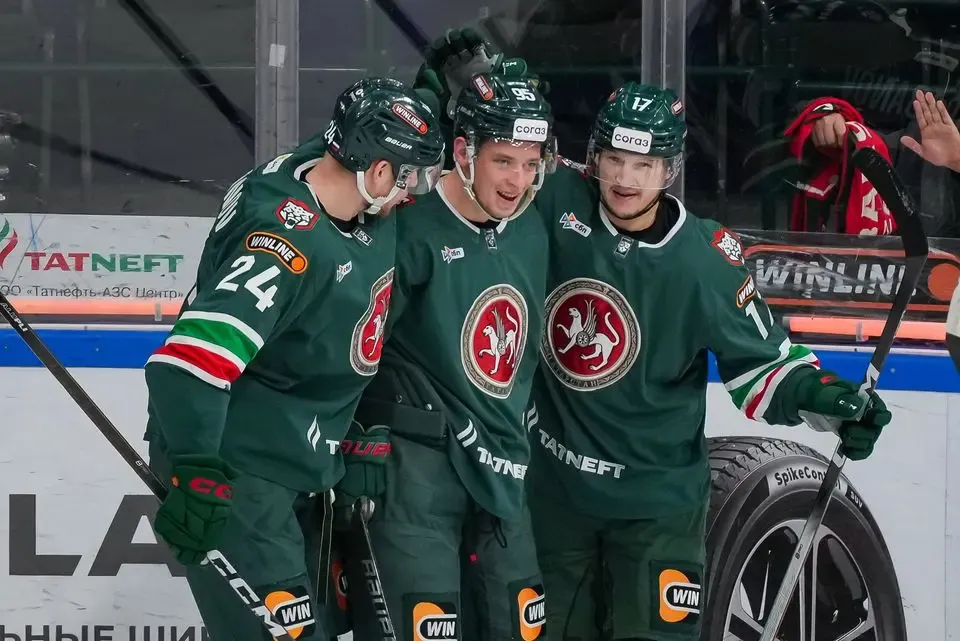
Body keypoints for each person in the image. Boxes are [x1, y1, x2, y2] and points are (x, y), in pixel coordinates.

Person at [416, 33, 892, 641]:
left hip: (656, 508)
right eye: (615, 159)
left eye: (643, 165)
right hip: (553, 498)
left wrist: (828, 400)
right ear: (594, 157)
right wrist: (453, 106)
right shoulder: (552, 197)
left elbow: (765, 368)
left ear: (670, 169)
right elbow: (475, 174)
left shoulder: (705, 260)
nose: (625, 178)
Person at [142, 76, 445, 641]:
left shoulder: (320, 166)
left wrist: (431, 92)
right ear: (379, 172)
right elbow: (187, 364)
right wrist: (196, 469)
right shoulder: (284, 247)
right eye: (410, 177)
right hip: (237, 469)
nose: (413, 193)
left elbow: (369, 124)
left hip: (297, 463)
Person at [333, 70, 557, 641]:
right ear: (463, 153)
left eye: (530, 164)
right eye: (503, 160)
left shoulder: (533, 230)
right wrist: (351, 444)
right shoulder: (403, 231)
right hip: (414, 473)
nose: (517, 180)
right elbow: (346, 353)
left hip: (503, 473)